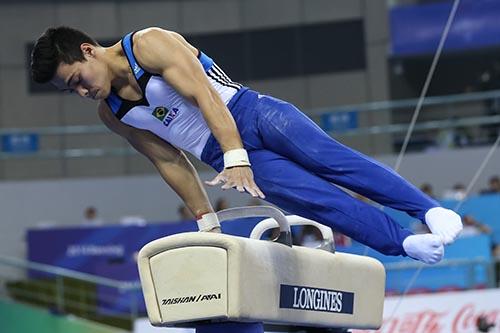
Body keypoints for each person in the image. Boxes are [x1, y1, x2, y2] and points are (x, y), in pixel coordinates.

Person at [30, 26, 463, 264]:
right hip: (222, 156)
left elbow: (202, 94)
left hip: (251, 113)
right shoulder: (113, 113)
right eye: (72, 92)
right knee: (317, 201)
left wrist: (237, 155)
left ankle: (428, 210)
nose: (83, 93)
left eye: (78, 80)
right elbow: (168, 159)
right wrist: (206, 221)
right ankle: (401, 243)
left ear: (88, 51)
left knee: (334, 163)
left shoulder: (148, 45)